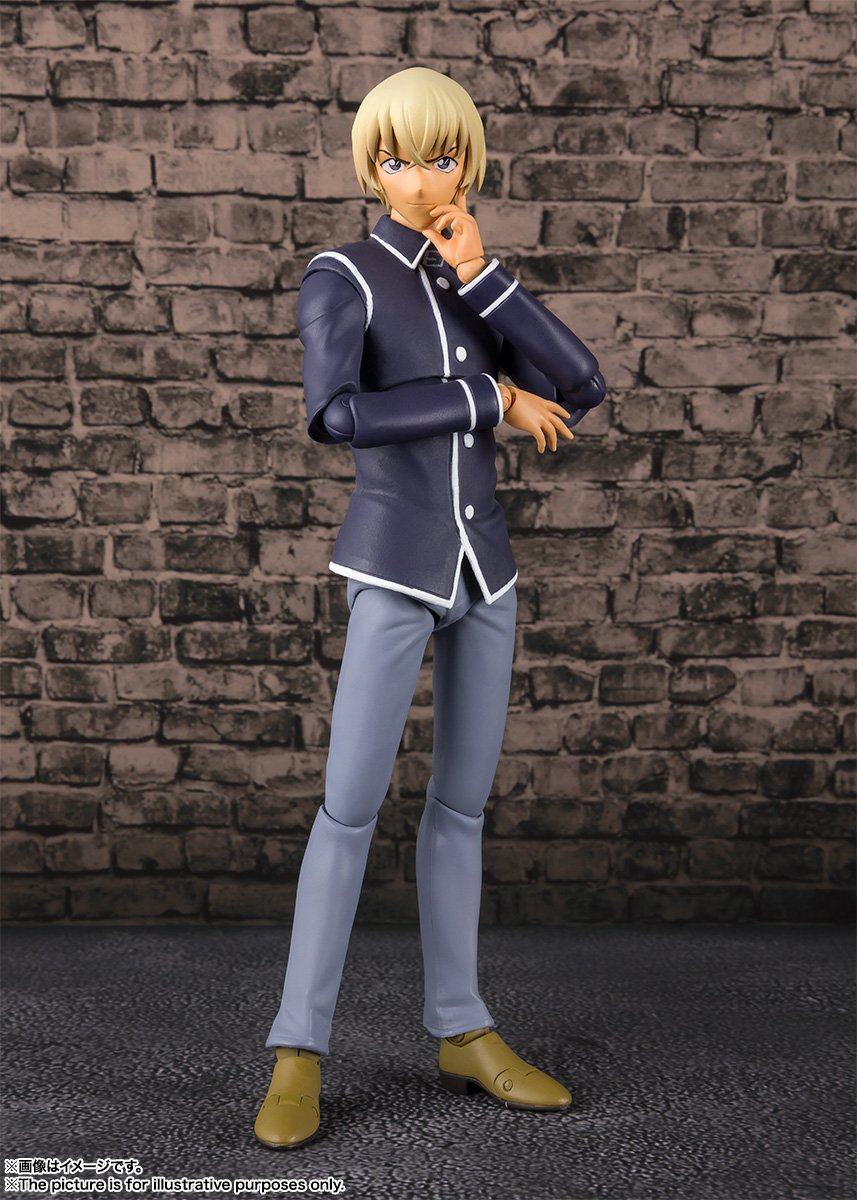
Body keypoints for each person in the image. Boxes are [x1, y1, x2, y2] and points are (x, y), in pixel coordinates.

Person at [254, 66, 606, 1150]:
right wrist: (484, 395)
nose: (418, 178)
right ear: (371, 167)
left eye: (440, 157)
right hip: (395, 566)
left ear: (468, 163)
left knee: (461, 810)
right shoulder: (343, 277)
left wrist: (485, 279)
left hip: (482, 570)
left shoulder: (467, 276)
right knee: (347, 809)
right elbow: (334, 415)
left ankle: (461, 1026)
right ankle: (298, 1048)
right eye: (397, 159)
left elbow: (581, 385)